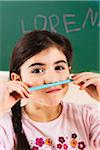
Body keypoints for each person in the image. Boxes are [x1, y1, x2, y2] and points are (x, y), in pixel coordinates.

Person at [0, 30, 100, 150]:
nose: (52, 80)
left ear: (69, 71)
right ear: (17, 79)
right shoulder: (5, 126)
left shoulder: (90, 116)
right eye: (37, 70)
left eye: (59, 67)